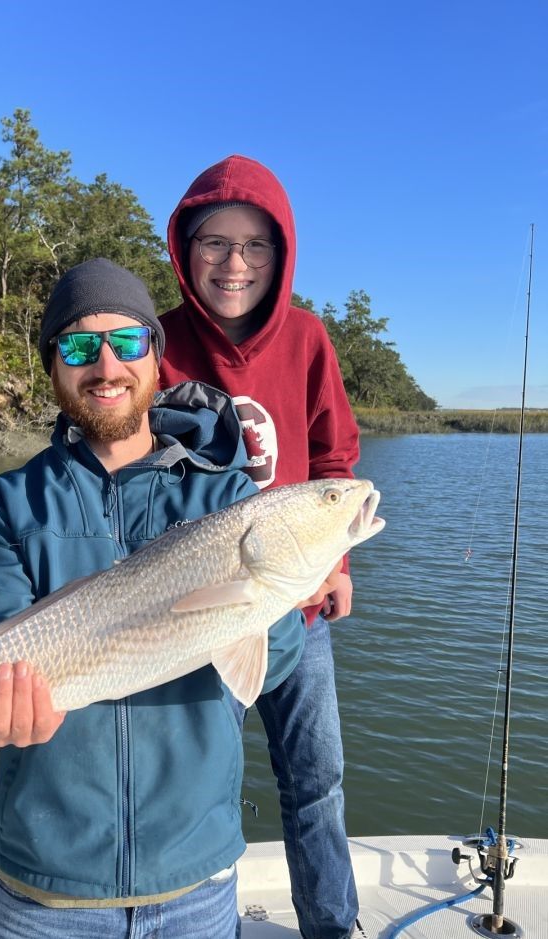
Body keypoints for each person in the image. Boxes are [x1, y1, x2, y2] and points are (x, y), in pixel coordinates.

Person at [0, 257, 332, 939]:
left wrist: (264, 594)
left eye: (127, 342)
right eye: (77, 345)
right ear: (53, 365)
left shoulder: (228, 499)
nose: (106, 365)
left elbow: (270, 666)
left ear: (157, 357)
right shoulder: (3, 507)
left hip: (196, 885)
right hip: (42, 890)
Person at [158, 155, 362, 939]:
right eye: (214, 241)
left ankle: (333, 926)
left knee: (317, 781)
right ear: (185, 247)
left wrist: (337, 562)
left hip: (298, 610)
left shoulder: (309, 337)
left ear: (282, 255)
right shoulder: (159, 343)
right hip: (200, 610)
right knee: (200, 783)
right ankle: (208, 923)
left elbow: (335, 457)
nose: (234, 263)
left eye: (256, 245)